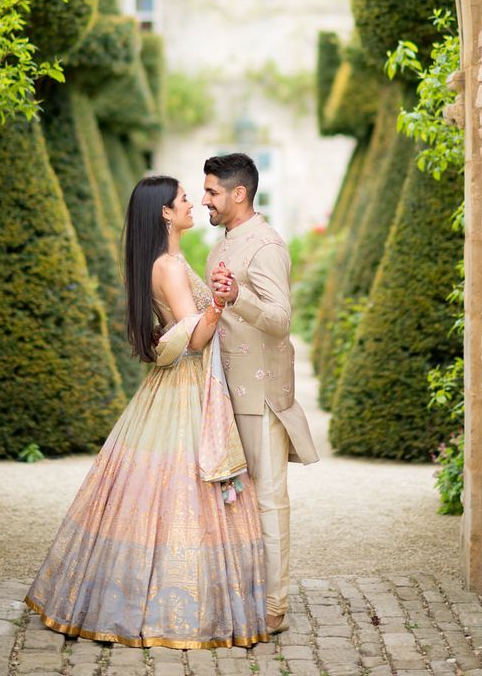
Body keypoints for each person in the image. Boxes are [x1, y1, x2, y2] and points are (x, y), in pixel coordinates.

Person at [25, 175, 268, 649]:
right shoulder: (170, 267)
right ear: (164, 213)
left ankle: (120, 597)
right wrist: (217, 306)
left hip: (170, 388)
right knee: (183, 493)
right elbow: (192, 338)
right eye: (183, 199)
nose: (193, 203)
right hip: (185, 386)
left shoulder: (164, 261)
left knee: (144, 492)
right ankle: (173, 610)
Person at [203, 153, 318, 635]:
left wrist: (237, 299)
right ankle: (242, 595)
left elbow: (281, 319)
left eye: (211, 191)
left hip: (260, 394)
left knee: (269, 500)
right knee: (231, 503)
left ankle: (274, 607)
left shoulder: (267, 244)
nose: (205, 199)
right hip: (225, 392)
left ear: (238, 194)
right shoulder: (225, 243)